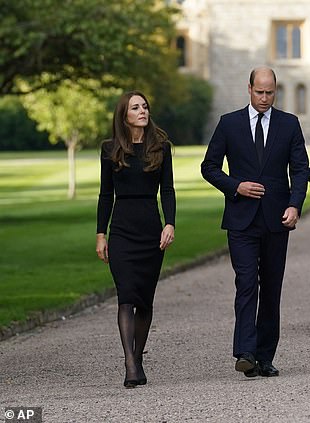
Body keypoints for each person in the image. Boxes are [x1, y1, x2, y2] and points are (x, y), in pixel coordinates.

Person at [201, 67, 309, 378]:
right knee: (247, 283)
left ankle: (265, 357)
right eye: (259, 92)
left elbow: (300, 170)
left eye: (270, 93)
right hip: (241, 219)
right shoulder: (229, 123)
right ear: (249, 89)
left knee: (271, 289)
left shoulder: (289, 124)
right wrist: (236, 186)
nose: (264, 98)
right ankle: (245, 351)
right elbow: (209, 167)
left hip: (277, 219)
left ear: (276, 91)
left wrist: (295, 205)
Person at [96, 91, 176, 388]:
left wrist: (170, 223)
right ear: (124, 115)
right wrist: (100, 233)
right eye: (135, 107)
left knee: (144, 300)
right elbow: (105, 194)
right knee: (126, 296)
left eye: (144, 106)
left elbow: (167, 189)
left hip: (150, 230)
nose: (142, 111)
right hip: (122, 230)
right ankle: (130, 363)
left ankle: (138, 357)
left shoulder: (161, 148)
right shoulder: (110, 149)